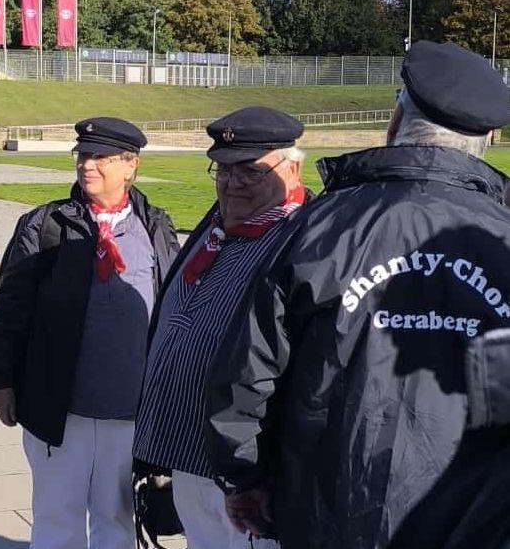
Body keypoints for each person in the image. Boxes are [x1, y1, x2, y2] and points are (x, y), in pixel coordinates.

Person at [204, 41, 510, 549]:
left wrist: (245, 478)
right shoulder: (501, 238)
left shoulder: (319, 226)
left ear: (396, 120)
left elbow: (248, 373)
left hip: (331, 513)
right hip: (473, 522)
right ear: (490, 138)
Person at [0, 117, 180, 549]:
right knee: (57, 519)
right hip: (60, 407)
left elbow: (174, 309)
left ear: (130, 164)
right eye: (83, 155)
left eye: (100, 157)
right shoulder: (45, 225)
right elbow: (10, 308)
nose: (88, 165)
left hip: (130, 410)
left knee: (117, 520)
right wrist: (1, 380)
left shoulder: (156, 226)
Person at [133, 107, 308, 549]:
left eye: (250, 171)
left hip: (252, 472)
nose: (232, 183)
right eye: (224, 170)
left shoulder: (304, 237)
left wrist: (254, 471)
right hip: (189, 454)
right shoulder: (217, 225)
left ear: (292, 168)